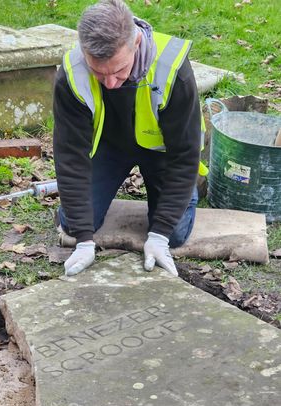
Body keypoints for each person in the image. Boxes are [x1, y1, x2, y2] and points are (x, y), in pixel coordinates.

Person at [53, 0, 206, 277]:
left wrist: (159, 234)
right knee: (72, 224)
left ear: (136, 42)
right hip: (108, 147)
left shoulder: (172, 69)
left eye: (119, 70)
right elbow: (70, 156)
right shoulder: (71, 73)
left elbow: (185, 154)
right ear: (84, 50)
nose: (110, 83)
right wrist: (85, 241)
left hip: (162, 151)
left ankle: (186, 196)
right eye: (99, 73)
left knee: (175, 235)